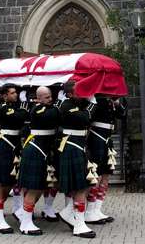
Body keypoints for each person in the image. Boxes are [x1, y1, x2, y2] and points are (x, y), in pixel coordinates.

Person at [0, 83, 30, 234]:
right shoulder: (4, 108)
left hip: (13, 146)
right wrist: (24, 105)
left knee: (10, 182)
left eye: (16, 92)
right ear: (4, 95)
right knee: (2, 182)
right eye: (12, 92)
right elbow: (20, 118)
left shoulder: (12, 106)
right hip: (4, 146)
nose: (15, 94)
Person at [16, 86, 60, 235]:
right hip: (35, 150)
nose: (50, 99)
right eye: (47, 97)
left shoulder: (49, 107)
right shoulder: (38, 109)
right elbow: (52, 115)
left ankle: (25, 215)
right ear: (38, 98)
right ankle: (26, 223)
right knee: (33, 187)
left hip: (44, 150)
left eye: (51, 96)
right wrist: (60, 104)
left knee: (40, 187)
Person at [56, 81, 98, 238]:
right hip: (72, 145)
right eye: (78, 90)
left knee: (87, 183)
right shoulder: (67, 105)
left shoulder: (79, 103)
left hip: (79, 146)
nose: (83, 92)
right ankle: (79, 225)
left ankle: (68, 212)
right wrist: (92, 104)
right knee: (81, 186)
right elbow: (84, 118)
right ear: (69, 94)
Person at [84, 95, 125, 224]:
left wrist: (117, 104)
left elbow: (122, 115)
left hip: (107, 139)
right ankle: (89, 211)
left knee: (106, 174)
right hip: (97, 138)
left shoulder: (110, 100)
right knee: (97, 174)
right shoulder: (97, 99)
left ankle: (97, 210)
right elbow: (88, 117)